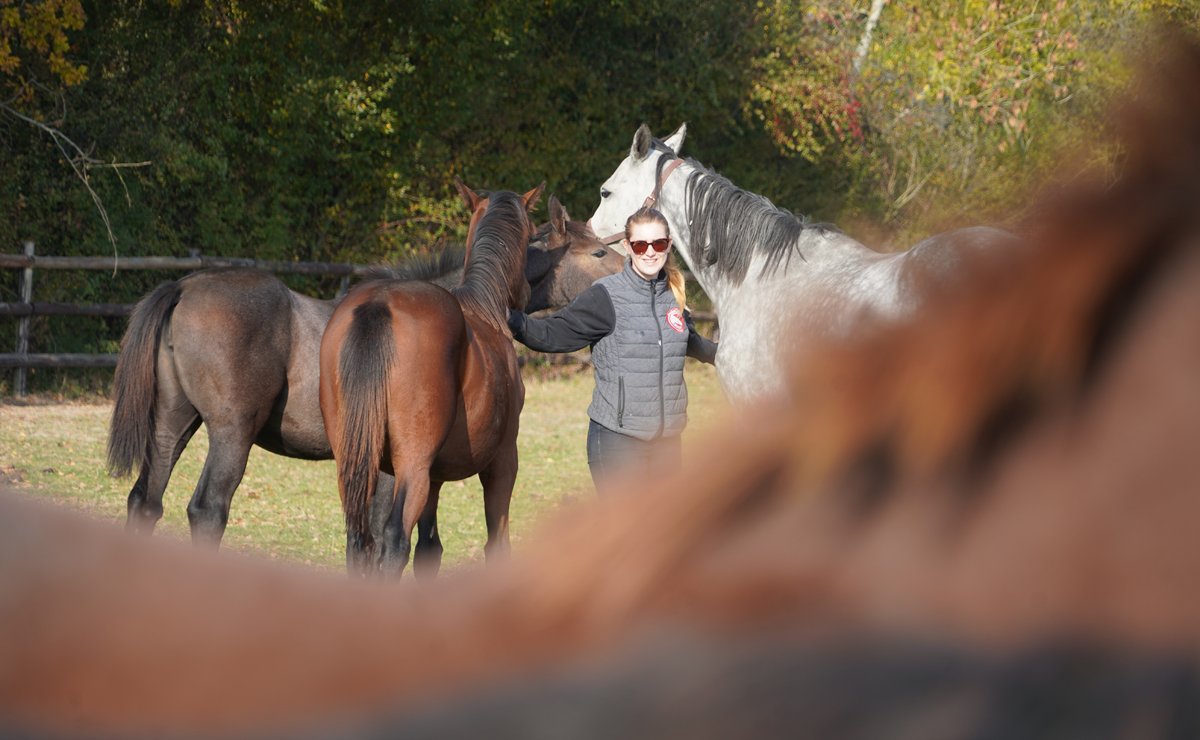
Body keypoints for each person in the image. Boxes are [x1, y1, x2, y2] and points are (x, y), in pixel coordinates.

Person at [508, 206, 717, 493]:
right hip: (618, 443)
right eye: (641, 245)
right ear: (627, 247)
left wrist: (723, 355)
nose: (650, 252)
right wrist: (511, 319)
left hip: (668, 444)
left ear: (668, 245)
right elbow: (553, 334)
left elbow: (689, 340)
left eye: (658, 244)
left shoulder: (673, 295)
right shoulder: (605, 295)